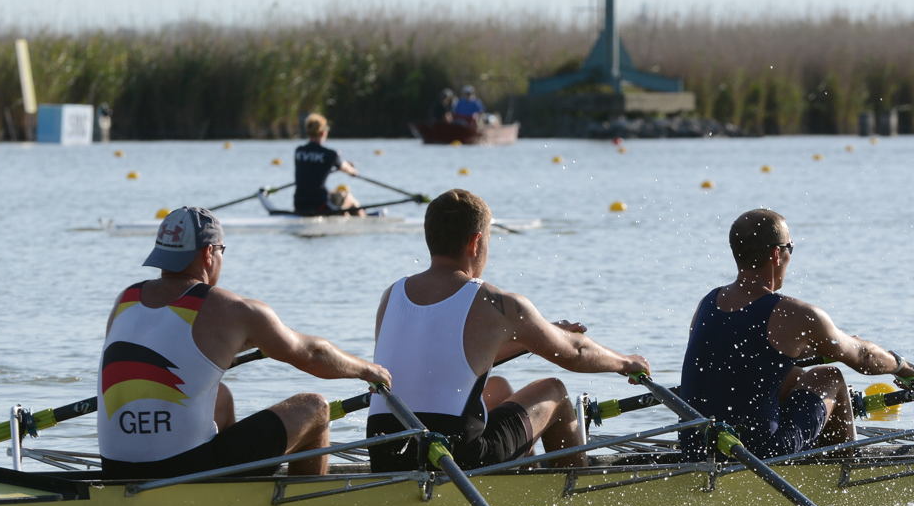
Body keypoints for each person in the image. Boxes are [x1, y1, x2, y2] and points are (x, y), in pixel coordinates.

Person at [97, 206, 390, 480]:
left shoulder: (126, 300)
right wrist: (369, 370)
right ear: (209, 253)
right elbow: (312, 354)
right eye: (222, 251)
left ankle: (238, 478)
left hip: (114, 468)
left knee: (219, 396)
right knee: (314, 407)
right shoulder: (232, 309)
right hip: (182, 470)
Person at [366, 189, 649, 471]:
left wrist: (535, 338)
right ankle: (571, 501)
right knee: (554, 392)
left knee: (498, 388)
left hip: (385, 449)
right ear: (476, 242)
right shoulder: (493, 301)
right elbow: (575, 353)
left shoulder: (392, 295)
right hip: (454, 455)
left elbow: (441, 360)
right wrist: (626, 362)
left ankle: (524, 476)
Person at [679, 208, 914, 460]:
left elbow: (743, 363)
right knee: (829, 376)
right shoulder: (794, 314)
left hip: (698, 446)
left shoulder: (707, 303)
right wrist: (901, 366)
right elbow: (864, 357)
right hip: (759, 453)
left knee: (793, 376)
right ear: (776, 254)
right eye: (790, 248)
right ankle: (845, 477)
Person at [293, 112, 363, 216]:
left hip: (299, 204)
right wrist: (353, 171)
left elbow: (312, 168)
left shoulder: (299, 151)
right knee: (348, 198)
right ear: (323, 133)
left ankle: (343, 215)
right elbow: (348, 169)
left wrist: (335, 165)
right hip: (319, 204)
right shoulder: (330, 154)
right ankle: (364, 220)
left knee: (335, 198)